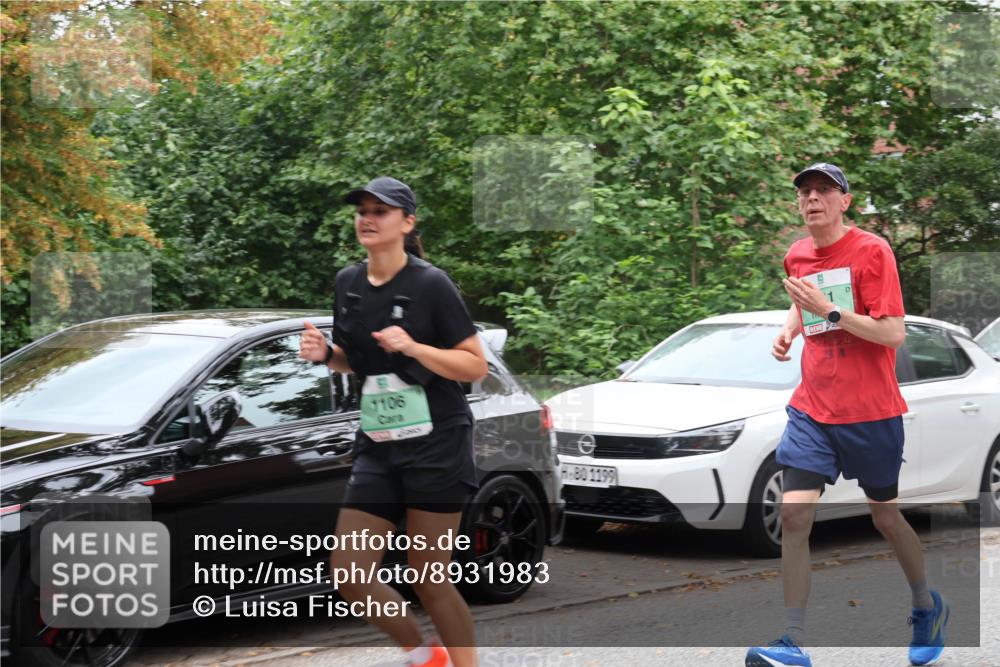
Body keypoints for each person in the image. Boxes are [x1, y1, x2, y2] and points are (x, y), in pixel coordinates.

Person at [745, 163, 949, 667]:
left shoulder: (872, 251)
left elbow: (892, 333)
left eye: (824, 191)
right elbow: (804, 299)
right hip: (813, 407)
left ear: (845, 202)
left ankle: (926, 606)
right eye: (805, 192)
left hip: (871, 412)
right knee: (794, 514)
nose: (812, 198)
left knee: (885, 516)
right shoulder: (797, 253)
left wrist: (829, 311)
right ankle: (790, 642)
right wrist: (791, 328)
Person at [299, 176, 487, 667]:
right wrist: (326, 355)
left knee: (429, 577)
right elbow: (356, 361)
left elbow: (474, 365)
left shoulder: (430, 284)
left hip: (438, 441)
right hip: (379, 442)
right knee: (349, 572)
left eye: (380, 211)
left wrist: (414, 346)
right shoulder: (348, 282)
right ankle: (426, 655)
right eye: (362, 210)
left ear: (407, 222)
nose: (367, 218)